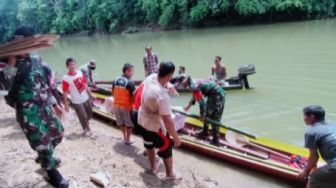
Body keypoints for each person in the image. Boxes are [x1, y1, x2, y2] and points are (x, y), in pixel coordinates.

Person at [4, 26, 68, 188]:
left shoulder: (36, 61)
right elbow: (6, 84)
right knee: (42, 142)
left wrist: (55, 104)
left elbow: (44, 85)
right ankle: (51, 171)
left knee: (58, 133)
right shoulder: (9, 65)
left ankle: (45, 156)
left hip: (45, 107)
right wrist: (11, 60)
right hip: (29, 113)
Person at [138, 61, 182, 179]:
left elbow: (159, 81)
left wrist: (169, 85)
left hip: (141, 119)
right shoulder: (162, 96)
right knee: (166, 148)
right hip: (154, 126)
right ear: (169, 76)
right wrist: (176, 138)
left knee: (148, 144)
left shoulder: (150, 77)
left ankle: (153, 167)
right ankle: (170, 174)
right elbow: (167, 120)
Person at [298, 105, 336, 188]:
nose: (303, 118)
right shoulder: (334, 125)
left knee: (315, 177)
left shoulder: (311, 132)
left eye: (304, 116)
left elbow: (314, 156)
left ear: (311, 117)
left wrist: (306, 170)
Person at [183, 77, 226, 146]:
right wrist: (188, 106)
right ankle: (205, 132)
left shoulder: (194, 87)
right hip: (213, 95)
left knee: (214, 117)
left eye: (185, 87)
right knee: (207, 114)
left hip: (218, 96)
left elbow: (202, 103)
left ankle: (216, 140)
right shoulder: (194, 82)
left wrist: (201, 115)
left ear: (187, 84)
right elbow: (195, 96)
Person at [62, 57, 93, 135]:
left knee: (89, 115)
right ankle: (87, 129)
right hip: (77, 101)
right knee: (83, 116)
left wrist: (89, 93)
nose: (72, 66)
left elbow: (85, 83)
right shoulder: (66, 78)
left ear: (75, 65)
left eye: (73, 64)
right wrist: (66, 104)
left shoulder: (79, 72)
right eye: (70, 65)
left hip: (85, 97)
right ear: (67, 66)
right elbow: (65, 92)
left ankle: (87, 125)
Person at [112, 63, 136, 145]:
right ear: (127, 71)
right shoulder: (130, 82)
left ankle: (124, 137)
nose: (133, 73)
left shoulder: (115, 79)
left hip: (116, 105)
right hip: (126, 106)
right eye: (132, 71)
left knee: (121, 122)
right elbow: (133, 98)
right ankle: (128, 139)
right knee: (129, 124)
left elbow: (113, 93)